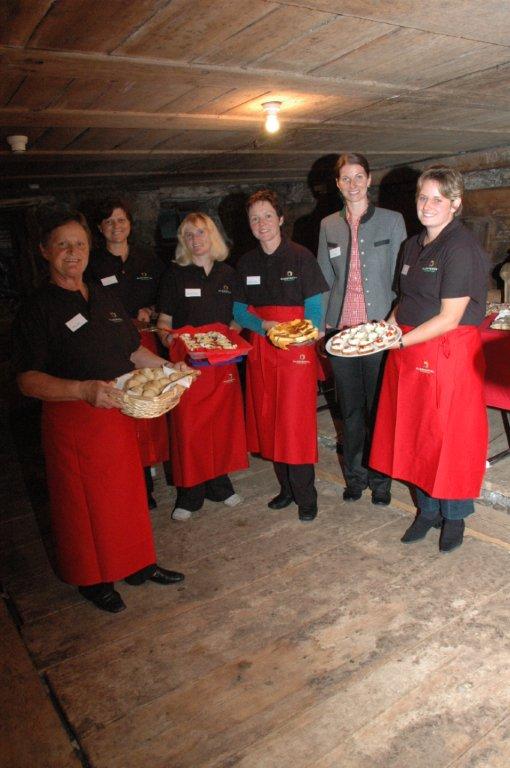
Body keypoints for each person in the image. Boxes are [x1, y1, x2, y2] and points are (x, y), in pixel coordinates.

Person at [11, 209, 187, 613]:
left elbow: (132, 349)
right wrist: (82, 390)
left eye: (80, 244)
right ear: (45, 251)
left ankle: (138, 564)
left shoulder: (102, 295)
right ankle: (93, 579)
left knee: (126, 495)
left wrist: (168, 369)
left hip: (117, 413)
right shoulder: (37, 308)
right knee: (83, 506)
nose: (73, 253)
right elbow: (27, 380)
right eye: (63, 245)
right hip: (73, 420)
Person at [370, 165, 490, 552]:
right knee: (416, 432)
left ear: (455, 203)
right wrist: (384, 331)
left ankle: (454, 516)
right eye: (423, 197)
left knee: (449, 437)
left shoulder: (461, 247)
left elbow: (450, 317)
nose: (428, 205)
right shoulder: (411, 245)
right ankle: (427, 509)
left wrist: (398, 342)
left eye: (438, 198)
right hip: (410, 347)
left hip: (448, 352)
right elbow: (404, 301)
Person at [233, 190, 329, 522]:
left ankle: (306, 495)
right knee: (270, 418)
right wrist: (263, 326)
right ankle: (286, 489)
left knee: (295, 423)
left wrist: (302, 335)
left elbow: (314, 309)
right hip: (263, 347)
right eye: (255, 218)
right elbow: (238, 311)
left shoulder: (301, 257)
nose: (262, 223)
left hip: (296, 351)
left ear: (281, 219)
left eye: (267, 216)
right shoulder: (246, 262)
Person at [317, 153, 407, 506]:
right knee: (350, 411)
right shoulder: (328, 225)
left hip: (379, 332)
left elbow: (403, 280)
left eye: (358, 177)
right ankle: (355, 477)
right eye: (346, 178)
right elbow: (324, 280)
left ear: (369, 180)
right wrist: (322, 328)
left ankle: (381, 482)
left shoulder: (392, 221)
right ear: (338, 184)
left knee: (379, 410)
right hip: (341, 334)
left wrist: (395, 324)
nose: (352, 184)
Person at [157, 213, 248, 521]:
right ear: (183, 241)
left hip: (223, 363)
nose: (195, 239)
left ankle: (220, 484)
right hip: (188, 365)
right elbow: (164, 321)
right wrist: (170, 340)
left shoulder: (229, 274)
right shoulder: (175, 275)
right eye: (188, 235)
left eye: (200, 232)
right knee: (189, 428)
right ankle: (190, 492)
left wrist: (230, 335)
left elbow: (237, 318)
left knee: (222, 425)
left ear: (212, 235)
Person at [87, 199, 168, 509]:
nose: (116, 226)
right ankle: (136, 481)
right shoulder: (92, 264)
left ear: (130, 224)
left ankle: (149, 465)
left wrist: (151, 308)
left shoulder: (148, 259)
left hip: (146, 343)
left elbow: (166, 297)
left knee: (149, 405)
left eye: (121, 220)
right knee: (123, 409)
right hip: (111, 347)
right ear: (100, 228)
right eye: (109, 221)